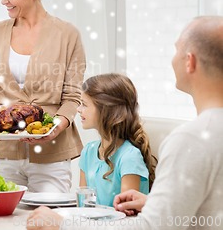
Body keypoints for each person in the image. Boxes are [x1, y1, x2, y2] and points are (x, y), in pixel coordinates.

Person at [26, 15, 223, 230]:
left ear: (189, 61)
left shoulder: (191, 140)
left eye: (176, 50)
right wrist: (153, 204)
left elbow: (152, 228)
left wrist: (62, 225)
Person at [0, 0, 86, 193]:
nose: (3, 1)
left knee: (46, 222)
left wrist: (56, 127)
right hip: (3, 155)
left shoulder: (67, 35)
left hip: (51, 154)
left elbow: (72, 97)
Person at [78, 73, 156, 207]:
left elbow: (125, 214)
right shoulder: (88, 152)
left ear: (106, 109)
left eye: (84, 104)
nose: (78, 109)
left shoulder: (129, 157)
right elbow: (82, 208)